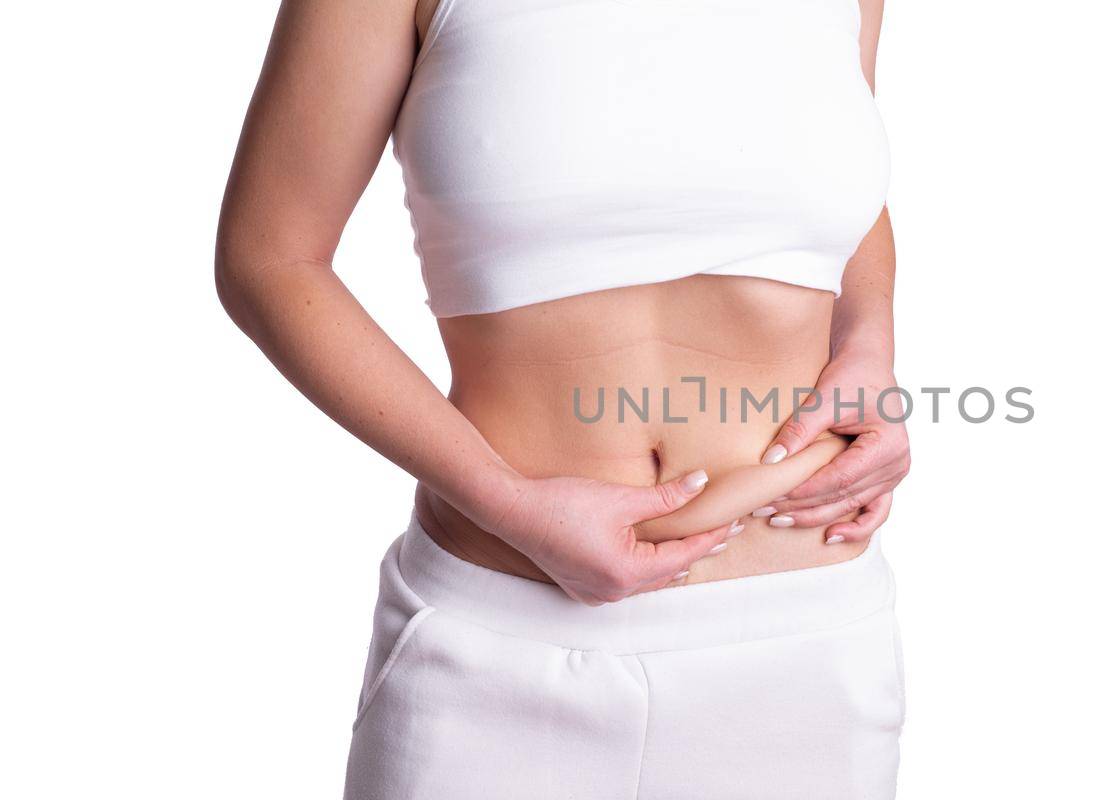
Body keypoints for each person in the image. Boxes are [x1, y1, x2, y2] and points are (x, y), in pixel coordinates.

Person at [216, 0, 911, 796]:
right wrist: (505, 503)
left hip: (806, 640)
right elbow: (269, 259)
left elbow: (839, 178)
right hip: (499, 640)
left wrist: (870, 346)